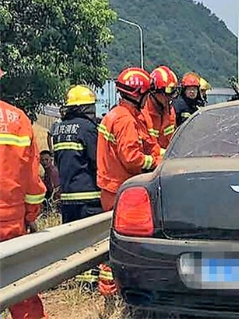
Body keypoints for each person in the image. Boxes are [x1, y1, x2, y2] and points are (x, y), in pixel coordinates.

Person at [97, 67, 162, 297]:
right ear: (139, 94)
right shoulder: (125, 120)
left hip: (112, 187)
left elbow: (147, 142)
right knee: (122, 243)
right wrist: (156, 162)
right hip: (120, 189)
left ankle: (111, 290)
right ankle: (110, 292)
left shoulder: (121, 115)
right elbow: (132, 159)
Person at [0, 67, 48, 319]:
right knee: (21, 293)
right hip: (12, 223)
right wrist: (29, 216)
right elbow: (32, 182)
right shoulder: (18, 119)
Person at [52, 85, 101, 223]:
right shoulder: (88, 128)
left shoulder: (58, 129)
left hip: (67, 198)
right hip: (89, 199)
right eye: (90, 107)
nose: (93, 111)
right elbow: (97, 161)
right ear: (82, 108)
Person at [143, 66, 178, 152]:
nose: (169, 98)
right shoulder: (143, 114)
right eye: (166, 94)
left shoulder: (170, 110)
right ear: (154, 91)